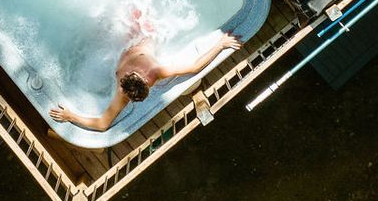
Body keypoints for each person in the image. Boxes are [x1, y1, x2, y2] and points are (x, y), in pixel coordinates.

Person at [50, 9, 242, 132]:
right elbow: (194, 66)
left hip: (138, 41)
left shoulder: (151, 74)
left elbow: (102, 124)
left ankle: (193, 92)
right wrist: (220, 44)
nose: (143, 74)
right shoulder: (151, 74)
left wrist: (70, 116)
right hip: (137, 39)